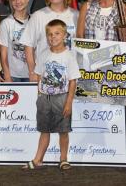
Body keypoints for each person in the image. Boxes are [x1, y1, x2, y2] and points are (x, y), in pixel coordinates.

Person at [22, 19, 81, 170]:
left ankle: (63, 159)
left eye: (57, 34)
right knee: (44, 130)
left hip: (61, 98)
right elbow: (39, 76)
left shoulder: (69, 56)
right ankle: (37, 160)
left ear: (64, 35)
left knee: (63, 131)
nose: (53, 37)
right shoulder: (43, 54)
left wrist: (68, 102)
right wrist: (39, 96)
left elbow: (73, 81)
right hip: (44, 99)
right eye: (49, 34)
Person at [19, 0, 78, 83]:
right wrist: (32, 72)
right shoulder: (38, 16)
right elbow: (28, 46)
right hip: (44, 75)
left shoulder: (76, 15)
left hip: (70, 75)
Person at [0, 0, 30, 82]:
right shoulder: (6, 24)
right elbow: (3, 55)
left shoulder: (35, 21)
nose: (18, 2)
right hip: (13, 75)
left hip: (32, 74)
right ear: (10, 2)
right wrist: (7, 76)